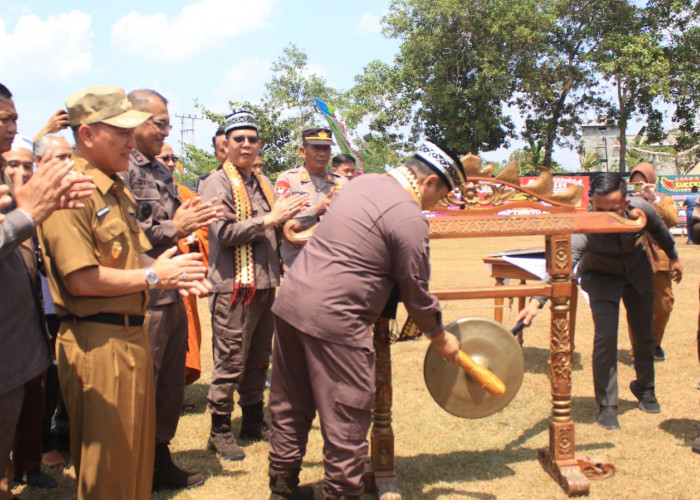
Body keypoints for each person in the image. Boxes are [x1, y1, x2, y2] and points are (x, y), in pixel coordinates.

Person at [39, 85, 211, 500]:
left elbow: (130, 258)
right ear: (87, 135)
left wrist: (172, 270)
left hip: (130, 334)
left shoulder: (115, 189)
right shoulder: (73, 190)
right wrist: (156, 278)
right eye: (120, 132)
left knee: (134, 469)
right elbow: (81, 280)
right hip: (96, 341)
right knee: (108, 477)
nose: (130, 142)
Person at [267, 141, 464, 500]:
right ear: (429, 182)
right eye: (443, 196)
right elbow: (415, 290)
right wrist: (439, 335)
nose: (439, 205)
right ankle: (342, 494)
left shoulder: (361, 182)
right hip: (336, 318)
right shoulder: (408, 216)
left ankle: (282, 487)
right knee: (347, 413)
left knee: (290, 401)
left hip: (292, 301)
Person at [516, 172, 682, 431]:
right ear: (590, 202)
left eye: (613, 210)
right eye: (598, 209)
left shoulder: (643, 209)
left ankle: (645, 388)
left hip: (637, 274)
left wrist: (674, 257)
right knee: (606, 337)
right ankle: (607, 405)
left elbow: (660, 232)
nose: (604, 217)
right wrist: (536, 301)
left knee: (644, 334)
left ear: (627, 204)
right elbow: (561, 266)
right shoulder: (584, 227)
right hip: (602, 279)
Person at [0, 82, 94, 500]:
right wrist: (26, 216)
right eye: (7, 118)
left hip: (20, 343)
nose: (13, 126)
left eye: (16, 118)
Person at [122, 89, 219, 491]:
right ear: (133, 120)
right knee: (143, 382)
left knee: (169, 384)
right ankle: (133, 466)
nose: (167, 130)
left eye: (168, 122)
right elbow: (126, 238)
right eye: (159, 123)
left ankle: (160, 457)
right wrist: (175, 229)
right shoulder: (120, 169)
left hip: (171, 289)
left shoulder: (162, 171)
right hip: (140, 292)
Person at [201, 110, 308, 461]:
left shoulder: (261, 183)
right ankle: (219, 429)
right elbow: (225, 233)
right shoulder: (216, 183)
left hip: (264, 283)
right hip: (233, 286)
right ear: (226, 146)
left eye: (252, 139)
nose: (246, 144)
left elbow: (278, 228)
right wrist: (270, 219)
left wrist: (306, 214)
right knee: (231, 358)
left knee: (259, 357)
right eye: (238, 139)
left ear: (259, 145)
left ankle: (252, 421)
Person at [2, 135, 59, 489]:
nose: (21, 171)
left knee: (38, 395)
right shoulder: (18, 208)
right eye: (13, 165)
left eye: (27, 165)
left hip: (37, 316)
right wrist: (25, 216)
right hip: (9, 330)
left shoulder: (35, 203)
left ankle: (28, 464)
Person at [33, 134, 74, 468]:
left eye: (69, 156)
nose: (67, 163)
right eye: (59, 157)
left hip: (67, 302)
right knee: (44, 376)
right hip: (37, 303)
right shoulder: (30, 199)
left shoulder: (76, 196)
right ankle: (42, 445)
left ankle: (63, 432)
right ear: (39, 163)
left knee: (64, 376)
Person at [156, 143, 205, 388]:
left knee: (186, 331)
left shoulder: (183, 192)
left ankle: (178, 387)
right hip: (156, 276)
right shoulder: (140, 190)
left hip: (184, 274)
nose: (171, 162)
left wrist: (195, 240)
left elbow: (202, 228)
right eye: (165, 158)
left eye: (173, 158)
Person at [275, 128, 347, 272]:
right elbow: (279, 218)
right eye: (316, 148)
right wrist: (315, 211)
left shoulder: (343, 182)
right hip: (298, 263)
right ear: (303, 151)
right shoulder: (288, 179)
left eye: (326, 149)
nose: (322, 154)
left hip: (333, 264)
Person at [626, 163, 678, 361]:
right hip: (634, 260)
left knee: (664, 306)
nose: (639, 186)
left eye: (643, 182)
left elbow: (672, 220)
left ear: (651, 183)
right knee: (636, 307)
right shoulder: (626, 201)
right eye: (635, 183)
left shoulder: (664, 200)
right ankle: (637, 353)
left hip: (661, 260)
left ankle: (654, 344)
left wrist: (652, 200)